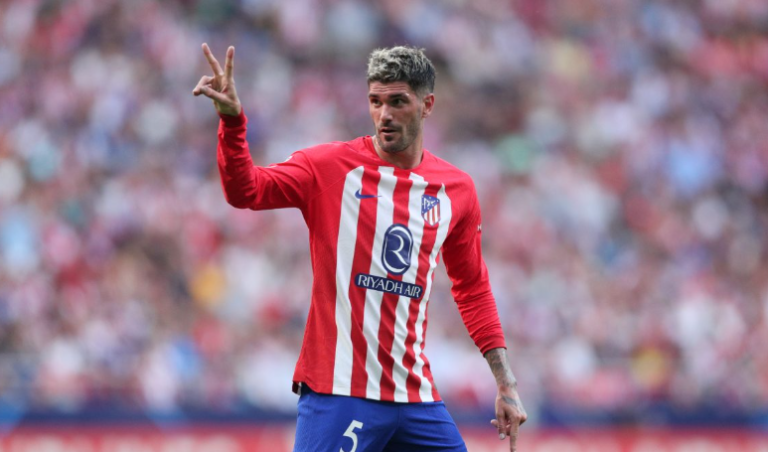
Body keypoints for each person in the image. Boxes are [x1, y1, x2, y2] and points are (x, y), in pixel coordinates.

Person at [193, 43, 527, 452]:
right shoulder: (330, 167)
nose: (384, 114)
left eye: (398, 102)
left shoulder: (455, 189)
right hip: (339, 390)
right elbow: (246, 190)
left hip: (414, 395)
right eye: (375, 101)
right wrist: (232, 122)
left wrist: (505, 382)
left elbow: (472, 287)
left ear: (427, 105)